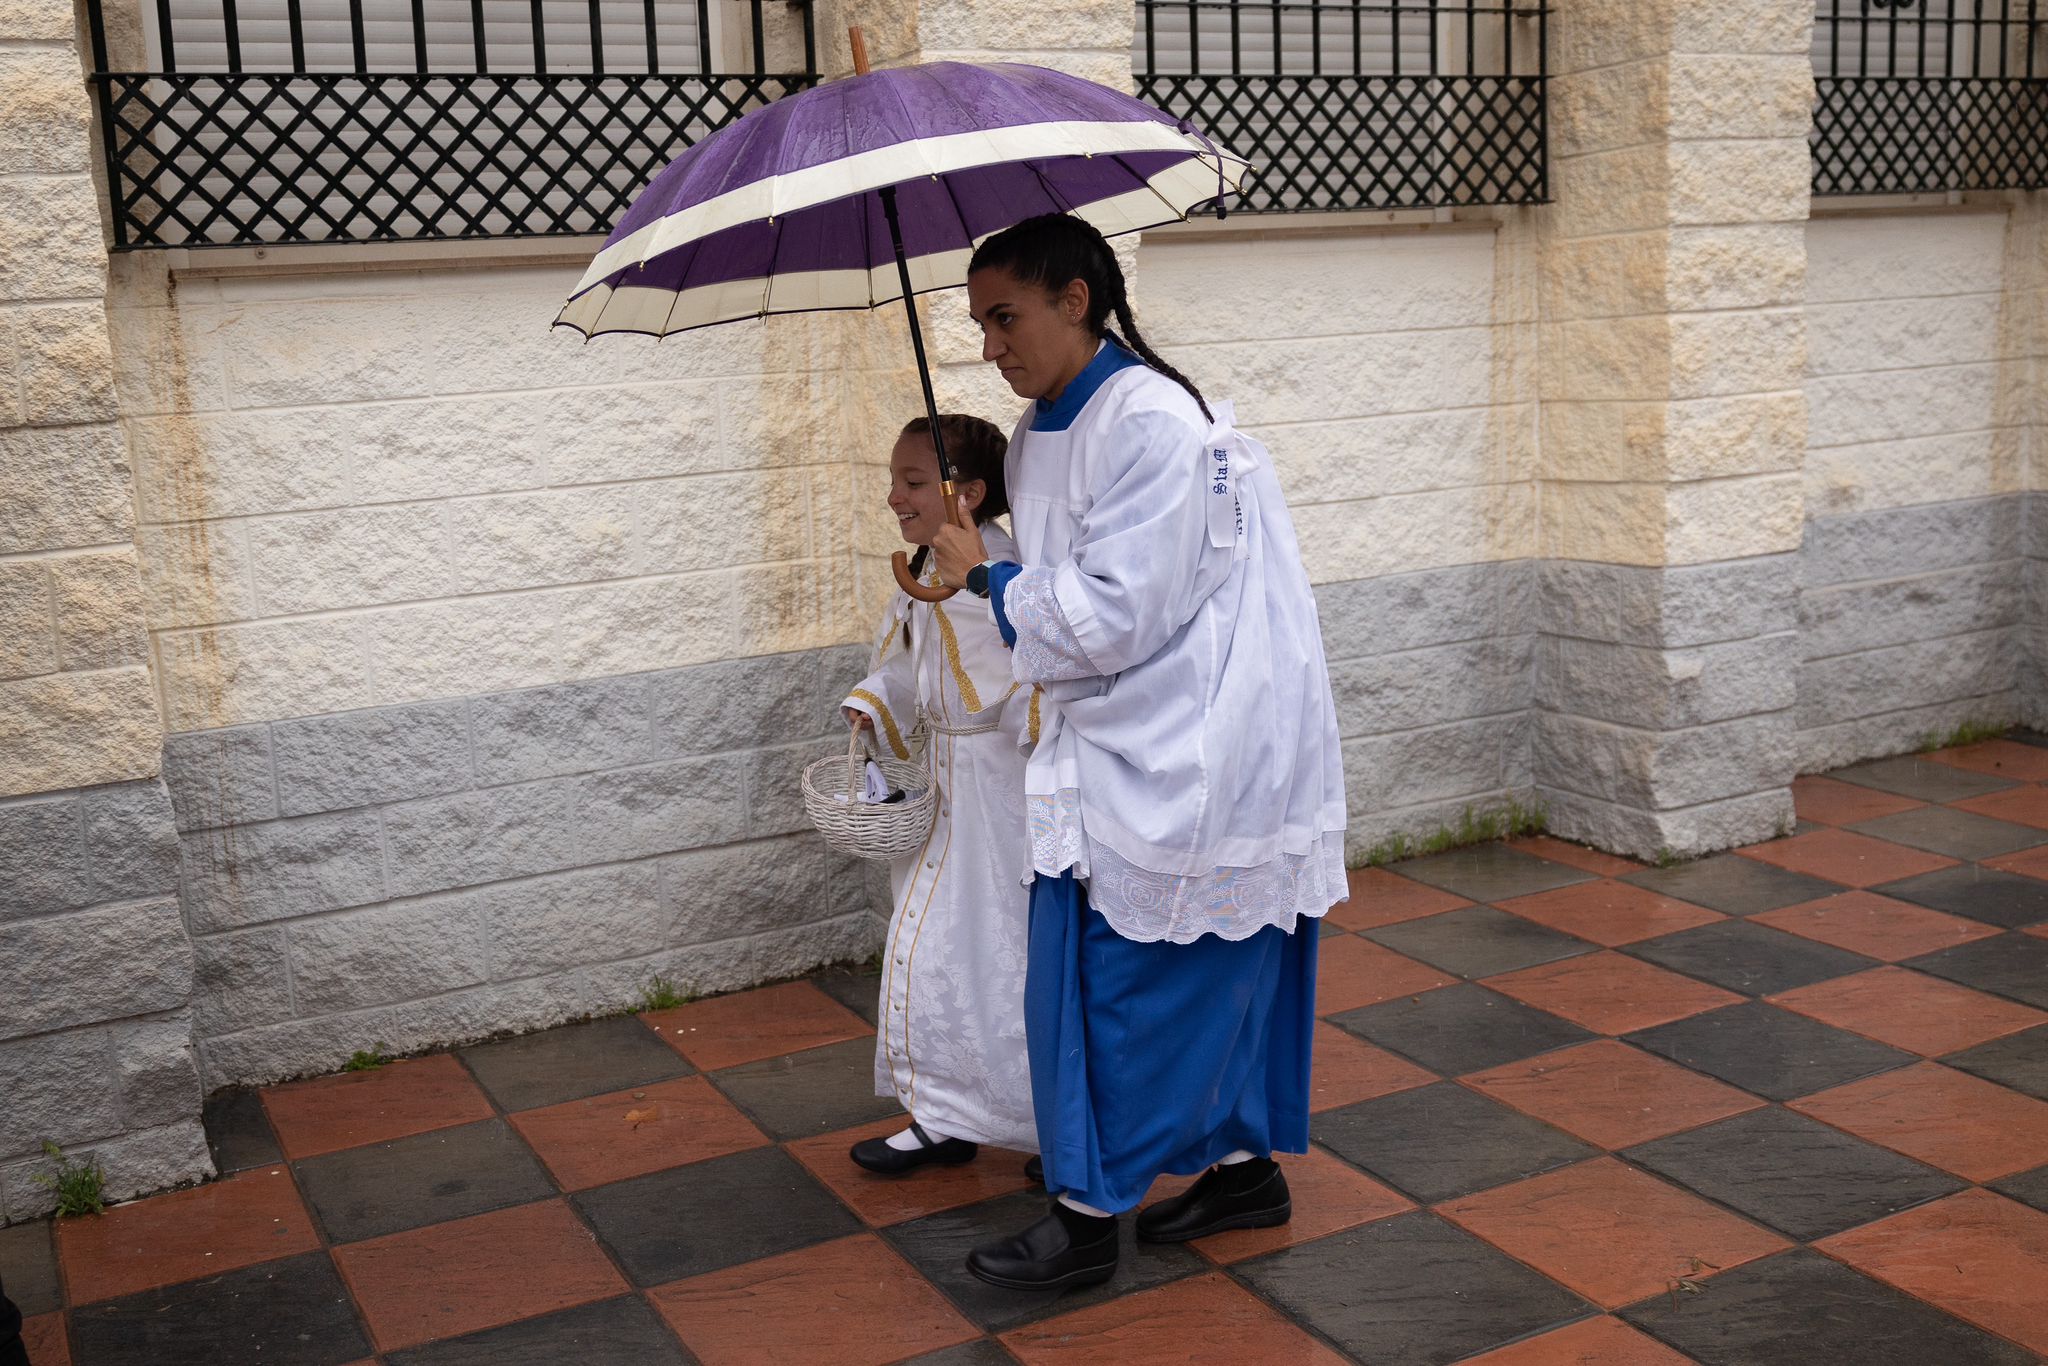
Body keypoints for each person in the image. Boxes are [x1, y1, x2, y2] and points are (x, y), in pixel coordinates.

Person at [930, 214, 1347, 1291]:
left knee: (1133, 979)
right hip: (1120, 720)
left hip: (1196, 729)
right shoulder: (1035, 432)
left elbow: (1117, 611)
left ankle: (1083, 1219)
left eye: (1004, 316)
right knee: (1149, 968)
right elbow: (1082, 579)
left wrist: (993, 579)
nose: (989, 345)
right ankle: (1244, 1173)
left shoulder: (1153, 421)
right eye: (979, 323)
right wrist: (988, 561)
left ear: (1075, 298)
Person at [840, 414, 1039, 1174]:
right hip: (945, 793)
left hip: (999, 800)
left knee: (1002, 955)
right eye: (894, 479)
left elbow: (1030, 680)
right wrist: (874, 699)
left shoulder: (1003, 575)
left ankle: (1042, 1121)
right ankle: (944, 1113)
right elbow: (903, 663)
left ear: (972, 492)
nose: (895, 495)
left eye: (914, 481)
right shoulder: (924, 569)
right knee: (932, 953)